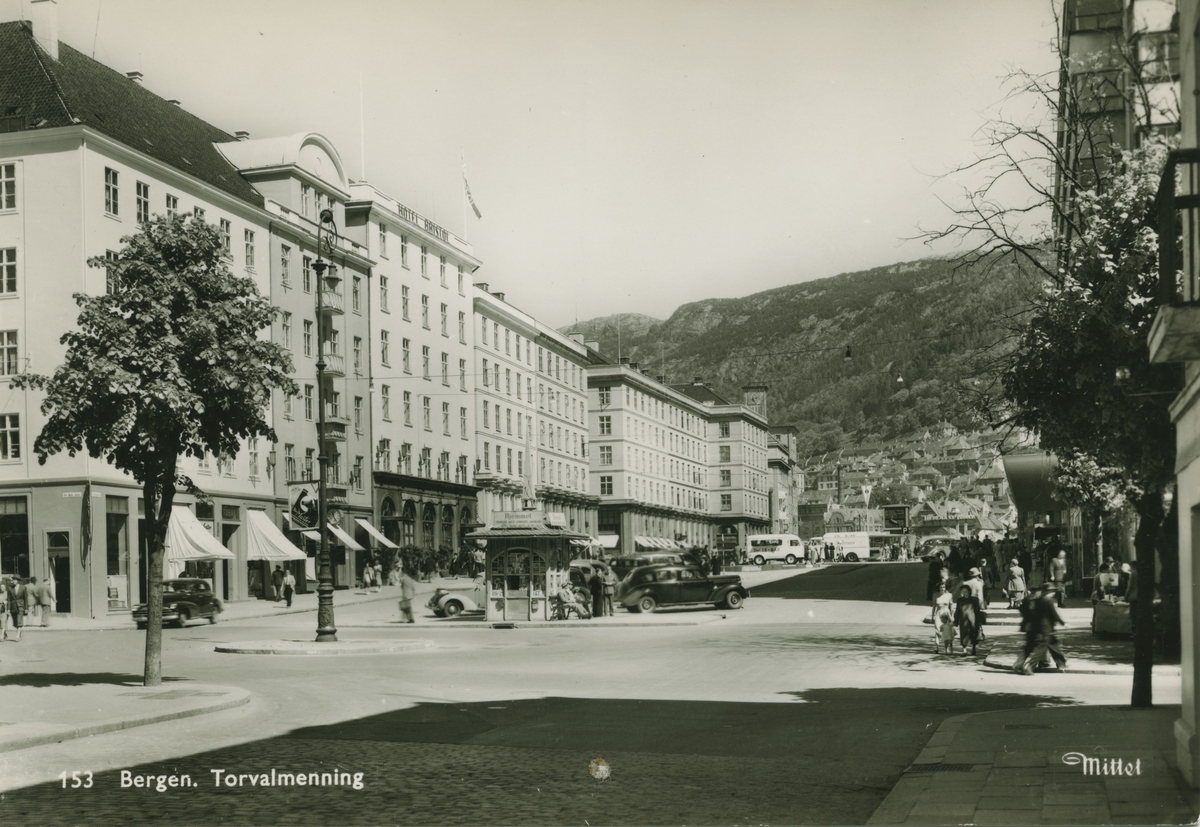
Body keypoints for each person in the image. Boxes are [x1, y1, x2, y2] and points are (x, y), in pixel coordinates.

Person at [1015, 583, 1067, 674]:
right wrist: (1062, 623)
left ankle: (1019, 664)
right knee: (1043, 647)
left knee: (1030, 647)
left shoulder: (1032, 600)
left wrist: (1027, 620)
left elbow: (1022, 609)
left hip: (1033, 626)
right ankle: (1030, 666)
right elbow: (1053, 614)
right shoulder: (1045, 600)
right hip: (1044, 628)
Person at [932, 582, 955, 655]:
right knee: (937, 629)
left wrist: (952, 616)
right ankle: (936, 646)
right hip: (939, 613)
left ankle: (949, 647)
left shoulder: (949, 595)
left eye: (943, 587)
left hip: (947, 613)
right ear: (939, 588)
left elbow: (951, 606)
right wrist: (933, 615)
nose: (942, 589)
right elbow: (934, 606)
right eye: (941, 587)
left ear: (945, 588)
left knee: (949, 630)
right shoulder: (935, 595)